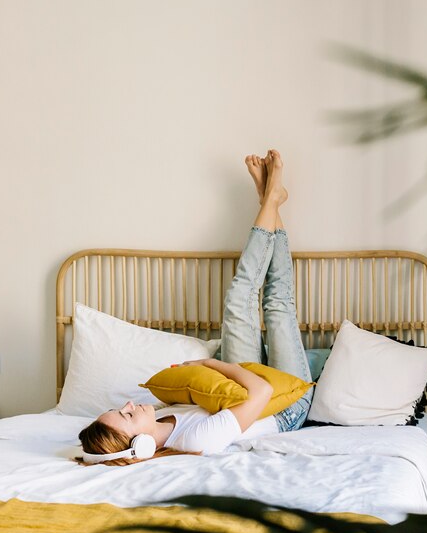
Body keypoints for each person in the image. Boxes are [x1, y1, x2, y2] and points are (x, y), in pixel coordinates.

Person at [79, 150, 314, 465]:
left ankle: (269, 199)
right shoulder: (196, 439)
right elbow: (260, 394)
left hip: (242, 384)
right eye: (128, 417)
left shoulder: (161, 418)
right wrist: (208, 365)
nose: (130, 405)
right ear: (143, 446)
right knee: (278, 306)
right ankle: (269, 198)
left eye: (122, 410)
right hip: (286, 406)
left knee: (237, 301)